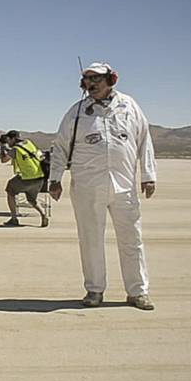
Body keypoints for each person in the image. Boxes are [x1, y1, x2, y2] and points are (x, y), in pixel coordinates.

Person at [48, 62, 157, 310]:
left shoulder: (129, 106)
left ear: (111, 80)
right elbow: (61, 147)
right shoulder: (76, 113)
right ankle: (95, 290)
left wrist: (148, 175)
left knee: (132, 238)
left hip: (124, 185)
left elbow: (144, 140)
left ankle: (138, 292)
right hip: (87, 186)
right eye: (87, 80)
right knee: (91, 240)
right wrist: (54, 179)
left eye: (96, 79)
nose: (91, 84)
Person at [0, 130, 48, 227]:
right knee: (31, 199)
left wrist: (2, 148)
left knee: (10, 189)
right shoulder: (28, 143)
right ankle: (43, 214)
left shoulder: (16, 149)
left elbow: (3, 160)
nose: (8, 142)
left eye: (9, 139)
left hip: (27, 178)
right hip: (39, 177)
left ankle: (14, 218)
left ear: (13, 139)